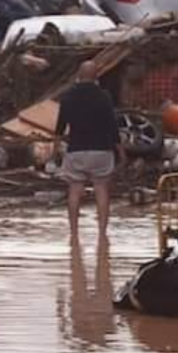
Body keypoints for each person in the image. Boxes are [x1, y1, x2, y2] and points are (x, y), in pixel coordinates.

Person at [54, 61, 125, 240]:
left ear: (79, 74)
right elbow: (112, 125)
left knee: (75, 190)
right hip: (101, 150)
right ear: (96, 76)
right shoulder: (104, 96)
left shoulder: (68, 96)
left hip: (76, 149)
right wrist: (120, 150)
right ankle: (102, 234)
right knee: (101, 189)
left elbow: (60, 126)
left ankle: (74, 234)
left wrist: (56, 148)